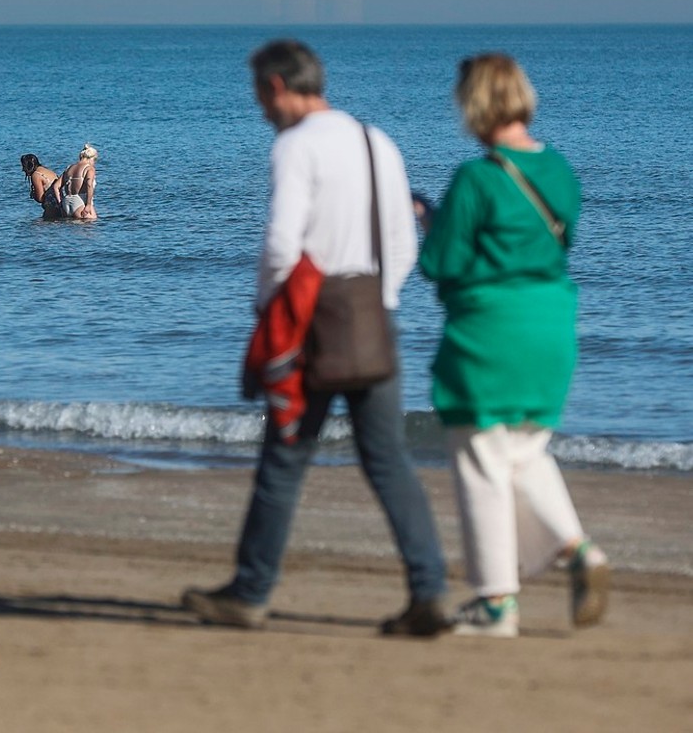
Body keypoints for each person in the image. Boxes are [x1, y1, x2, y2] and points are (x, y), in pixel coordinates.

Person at [181, 39, 450, 636]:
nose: (259, 108)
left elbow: (282, 244)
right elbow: (404, 242)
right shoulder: (375, 140)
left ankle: (251, 591)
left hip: (309, 325)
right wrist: (378, 302)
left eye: (258, 95)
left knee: (285, 458)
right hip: (372, 317)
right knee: (388, 461)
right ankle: (430, 589)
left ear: (276, 87)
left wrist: (267, 313)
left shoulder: (295, 146)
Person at [418, 53, 609, 637]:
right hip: (551, 322)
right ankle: (578, 551)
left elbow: (440, 263)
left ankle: (497, 602)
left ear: (473, 105)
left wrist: (429, 219)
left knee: (480, 457)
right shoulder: (560, 170)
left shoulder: (478, 178)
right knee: (524, 448)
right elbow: (559, 240)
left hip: (490, 329)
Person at [58, 144, 98, 220]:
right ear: (91, 158)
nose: (94, 163)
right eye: (94, 161)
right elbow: (89, 185)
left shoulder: (69, 168)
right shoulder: (89, 168)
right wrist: (88, 205)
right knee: (91, 226)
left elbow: (56, 187)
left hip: (66, 202)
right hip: (79, 202)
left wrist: (60, 202)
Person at [20, 153, 64, 219]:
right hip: (61, 201)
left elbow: (40, 198)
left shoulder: (36, 175)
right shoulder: (46, 170)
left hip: (52, 205)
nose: (23, 169)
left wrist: (33, 194)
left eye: (24, 166)